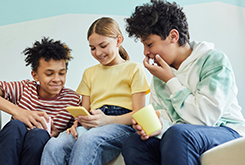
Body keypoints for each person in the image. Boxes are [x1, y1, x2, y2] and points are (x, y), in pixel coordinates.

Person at [121, 0, 245, 165]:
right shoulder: (159, 76)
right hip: (182, 134)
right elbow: (166, 121)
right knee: (134, 144)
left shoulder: (214, 60)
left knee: (178, 134)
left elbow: (206, 117)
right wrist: (157, 126)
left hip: (225, 129)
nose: (146, 52)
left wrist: (171, 80)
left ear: (173, 36)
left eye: (149, 44)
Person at [41, 17, 150, 165]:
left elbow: (139, 114)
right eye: (92, 48)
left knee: (88, 140)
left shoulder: (134, 69)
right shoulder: (89, 73)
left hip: (122, 126)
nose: (98, 52)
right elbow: (83, 110)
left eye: (103, 45)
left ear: (118, 41)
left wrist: (107, 120)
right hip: (92, 122)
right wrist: (76, 124)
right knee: (54, 145)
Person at [0, 37, 81, 165]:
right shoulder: (25, 88)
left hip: (37, 153)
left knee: (39, 135)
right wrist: (18, 112)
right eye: (49, 74)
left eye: (62, 73)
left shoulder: (73, 100)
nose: (56, 79)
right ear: (35, 75)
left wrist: (57, 133)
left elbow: (74, 134)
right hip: (8, 153)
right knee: (16, 125)